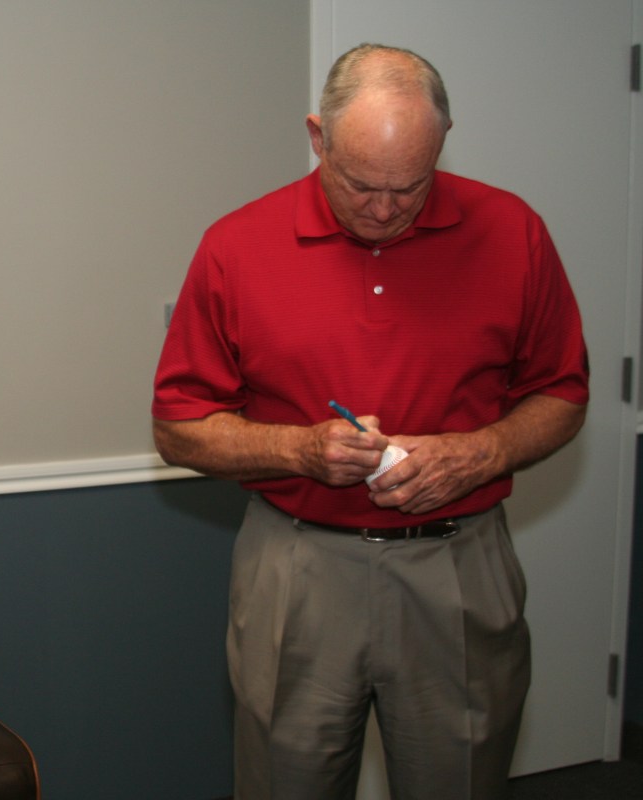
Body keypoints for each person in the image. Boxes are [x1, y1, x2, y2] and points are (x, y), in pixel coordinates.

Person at [152, 44, 588, 800]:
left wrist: (479, 452)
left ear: (442, 146)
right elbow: (178, 426)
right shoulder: (236, 246)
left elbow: (564, 395)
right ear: (318, 137)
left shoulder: (512, 232)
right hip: (298, 569)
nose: (384, 209)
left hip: (458, 563)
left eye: (408, 187)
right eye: (360, 185)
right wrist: (299, 448)